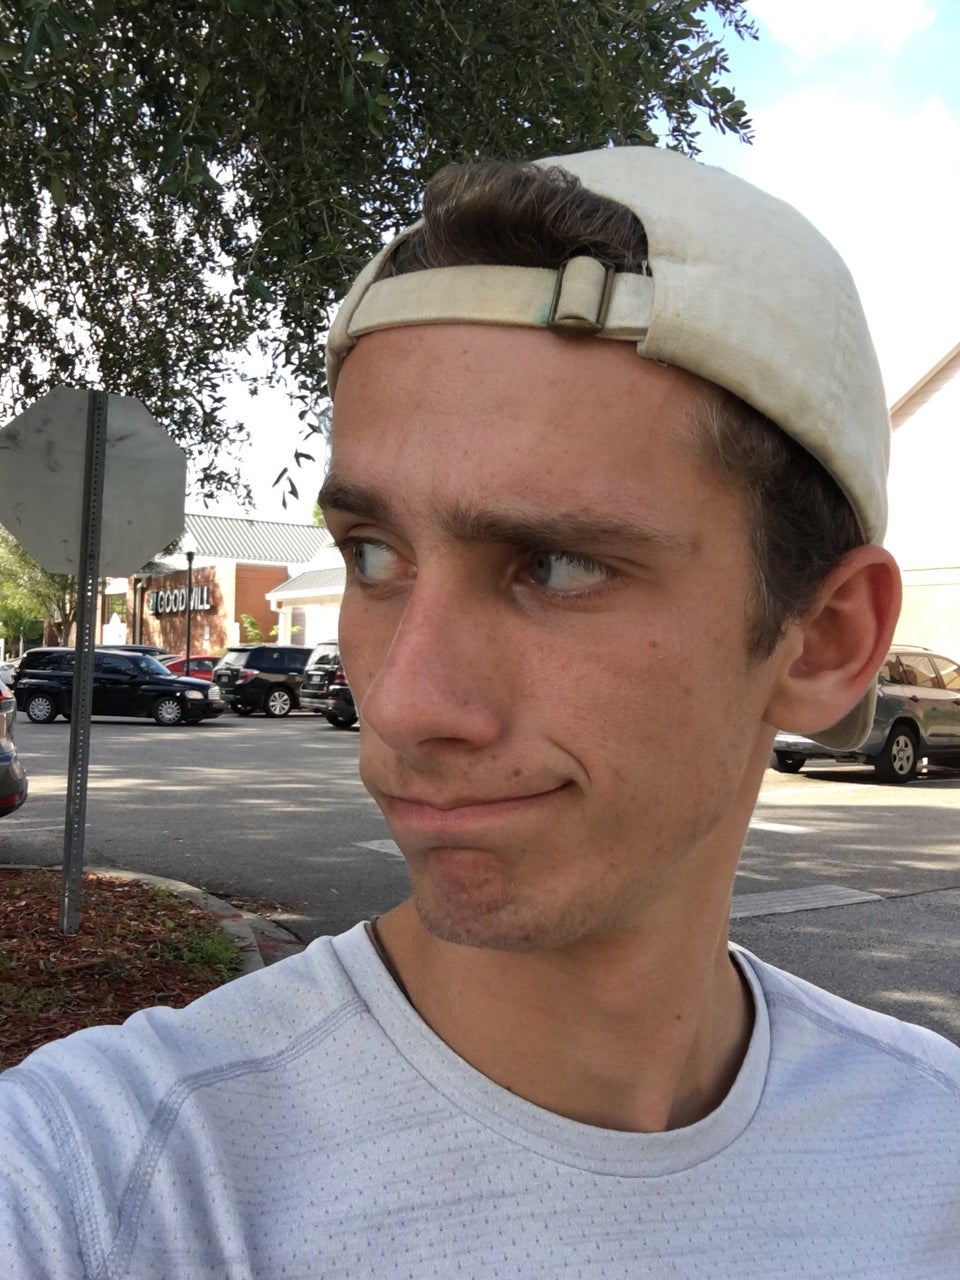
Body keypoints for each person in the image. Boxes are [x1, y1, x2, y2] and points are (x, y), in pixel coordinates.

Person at [2, 146, 958, 1279]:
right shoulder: (106, 1182)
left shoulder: (931, 1149)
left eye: (556, 564)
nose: (402, 701)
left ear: (828, 639)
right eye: (373, 554)